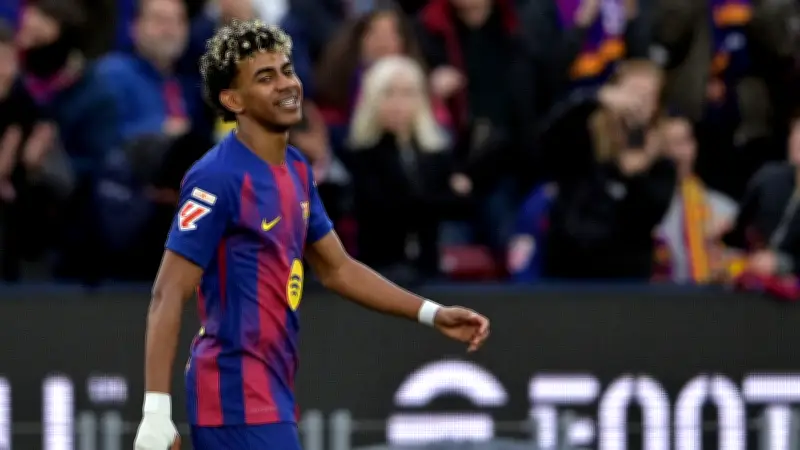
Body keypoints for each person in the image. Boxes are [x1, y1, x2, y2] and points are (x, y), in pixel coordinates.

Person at [132, 20, 491, 450]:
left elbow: (338, 269)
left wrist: (432, 313)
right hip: (234, 394)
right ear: (233, 100)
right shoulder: (216, 177)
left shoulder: (297, 168)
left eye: (287, 70)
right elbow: (168, 292)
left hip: (272, 388)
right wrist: (155, 412)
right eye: (266, 77)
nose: (287, 84)